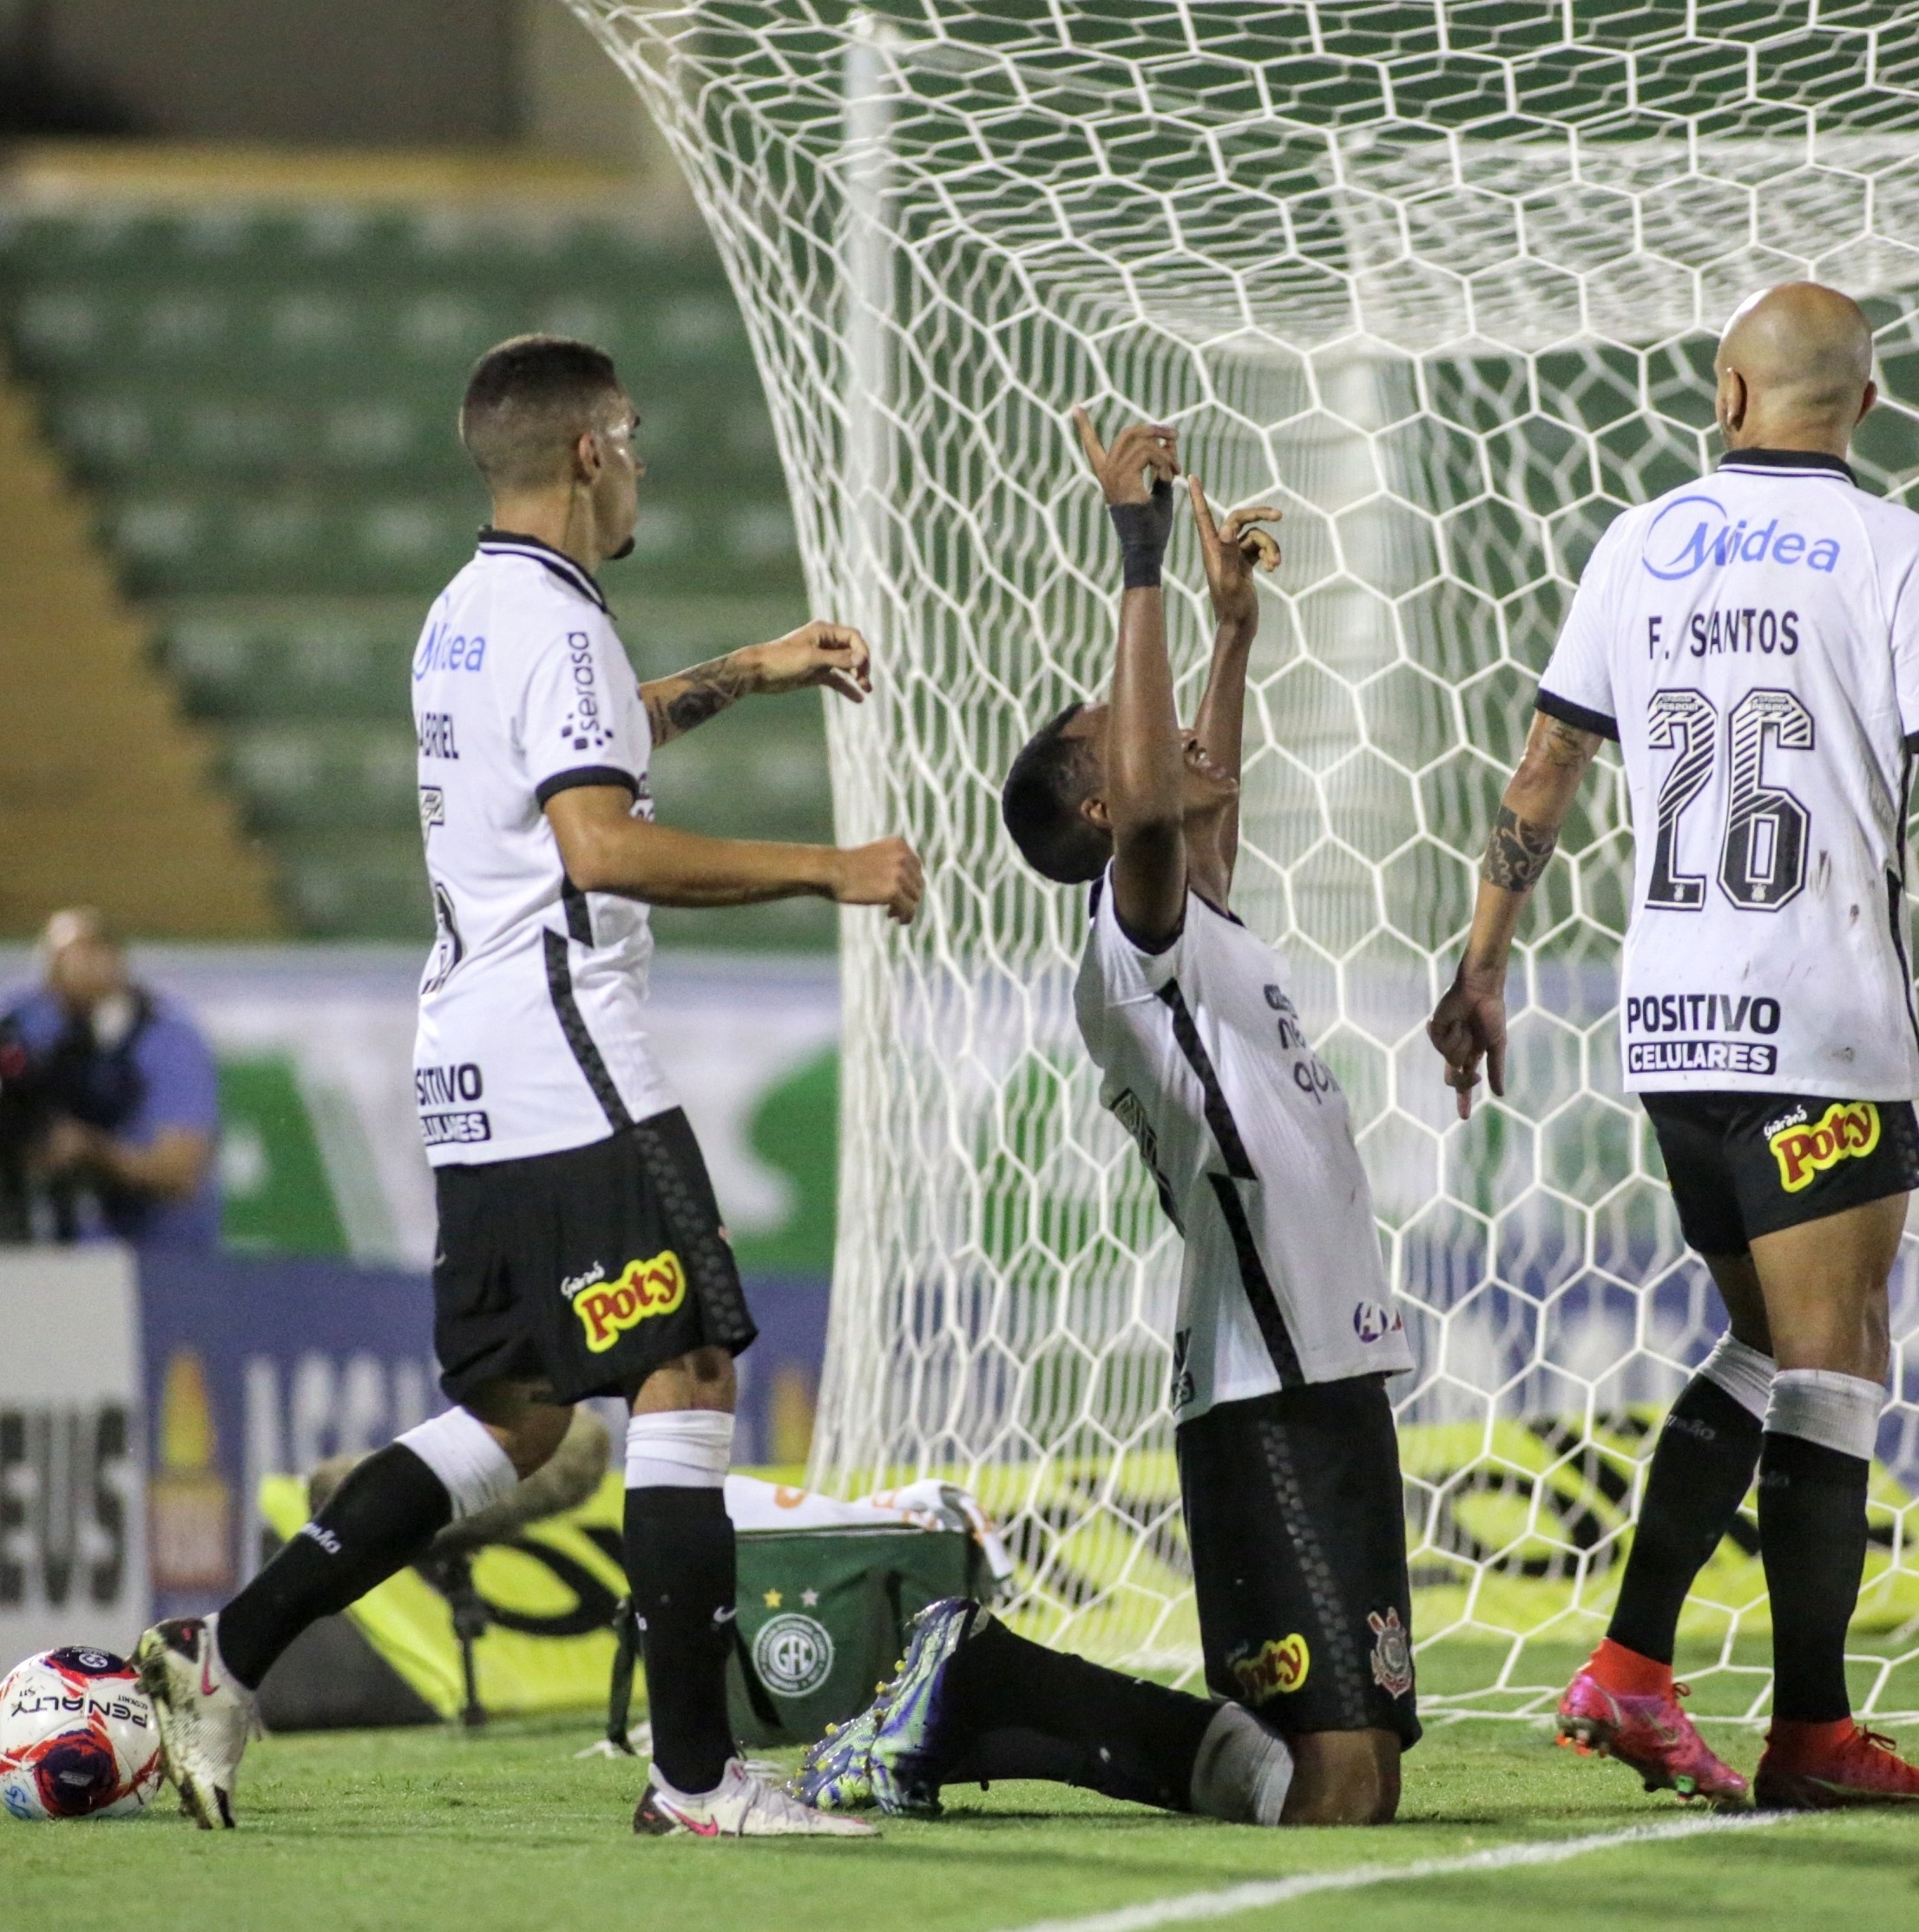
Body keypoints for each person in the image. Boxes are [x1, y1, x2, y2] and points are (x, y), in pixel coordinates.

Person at [135, 333, 923, 1840]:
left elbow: (585, 733)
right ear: (586, 450)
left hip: (468, 1062)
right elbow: (600, 846)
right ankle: (697, 1783)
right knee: (684, 1369)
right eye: (627, 437)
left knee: (510, 1419)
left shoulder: (466, 614)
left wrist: (752, 669)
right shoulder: (550, 624)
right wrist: (833, 867)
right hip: (572, 1057)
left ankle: (226, 1650)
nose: (637, 464)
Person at [1426, 283, 1919, 1811]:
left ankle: (1628, 1672)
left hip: (1670, 1028)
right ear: (1863, 408)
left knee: (1763, 1355)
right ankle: (1811, 1740)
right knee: (1830, 1366)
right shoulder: (1893, 550)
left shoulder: (1637, 542)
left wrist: (1481, 966)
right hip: (1815, 1025)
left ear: (1727, 393)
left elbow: (1546, 766)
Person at [795, 412, 1415, 1830]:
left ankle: (976, 1682)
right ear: (1096, 801)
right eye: (1127, 740)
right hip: (1262, 1379)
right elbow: (1156, 809)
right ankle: (974, 1692)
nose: (1179, 748)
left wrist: (1232, 636)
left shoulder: (1203, 927)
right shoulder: (1125, 938)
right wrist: (1134, 550)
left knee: (1351, 1775)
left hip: (1324, 1361)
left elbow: (1194, 797)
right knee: (1332, 1793)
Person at [0, 908, 220, 1250]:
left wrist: (88, 1150)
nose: (68, 969)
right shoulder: (29, 1021)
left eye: (87, 953)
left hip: (156, 1257)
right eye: (57, 958)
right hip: (47, 1250)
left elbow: (179, 1173)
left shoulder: (166, 1038)